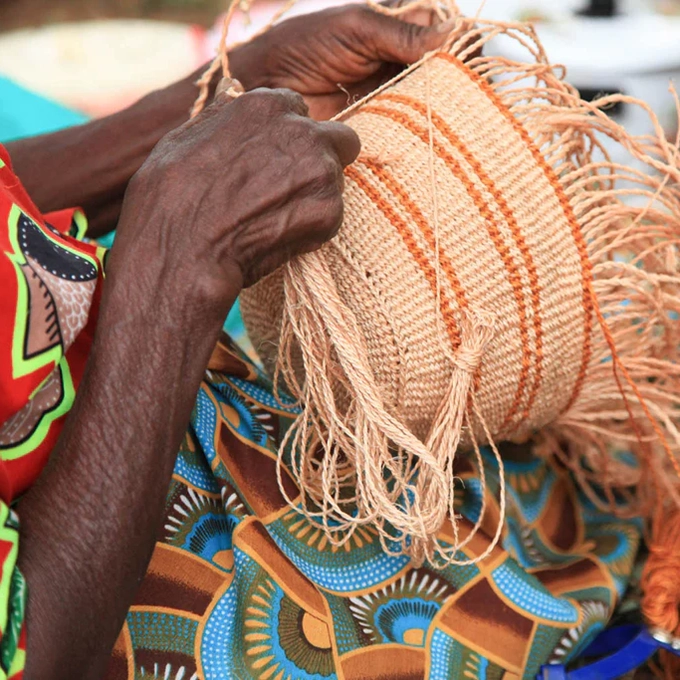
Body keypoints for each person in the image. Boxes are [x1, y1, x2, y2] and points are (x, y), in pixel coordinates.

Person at [0, 4, 646, 680]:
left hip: (166, 379)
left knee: (601, 355)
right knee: (571, 525)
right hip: (130, 577)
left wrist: (237, 92)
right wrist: (172, 273)